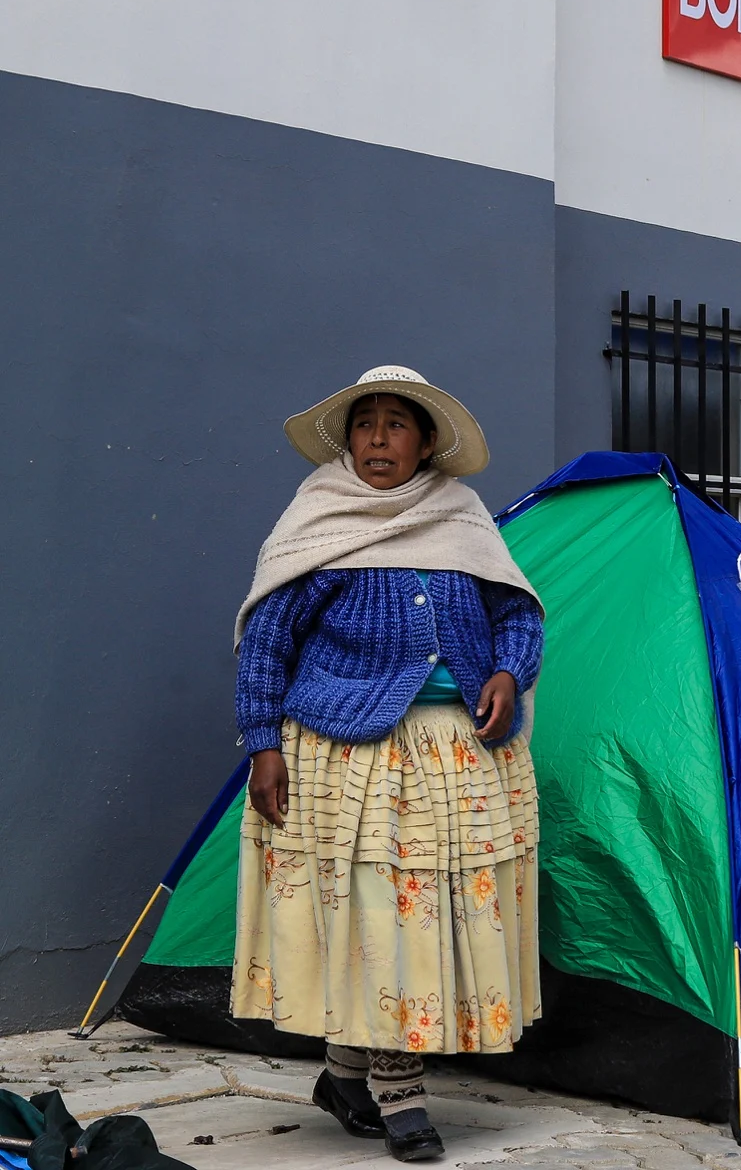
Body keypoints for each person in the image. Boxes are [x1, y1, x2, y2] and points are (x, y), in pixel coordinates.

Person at [230, 367, 544, 1162]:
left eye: (395, 424)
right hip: (348, 756)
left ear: (427, 442)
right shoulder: (320, 522)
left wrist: (510, 669)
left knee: (423, 919)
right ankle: (400, 1098)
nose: (377, 438)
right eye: (364, 423)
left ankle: (343, 1073)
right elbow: (267, 643)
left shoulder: (462, 520)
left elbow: (517, 613)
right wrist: (262, 746)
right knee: (384, 921)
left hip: (457, 754)